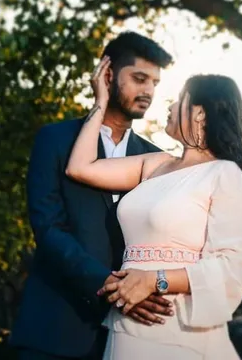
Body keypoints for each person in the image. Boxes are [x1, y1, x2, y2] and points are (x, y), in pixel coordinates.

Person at [65, 56, 242, 359]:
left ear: (200, 113)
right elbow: (79, 168)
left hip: (176, 324)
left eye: (179, 100)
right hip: (126, 319)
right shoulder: (155, 163)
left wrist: (153, 280)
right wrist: (100, 103)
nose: (169, 107)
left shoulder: (225, 174)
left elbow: (230, 268)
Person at [9, 32, 174, 360]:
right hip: (54, 329)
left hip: (127, 337)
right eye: (139, 78)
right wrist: (110, 286)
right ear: (107, 75)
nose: (148, 91)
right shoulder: (55, 140)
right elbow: (48, 229)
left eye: (154, 82)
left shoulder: (156, 159)